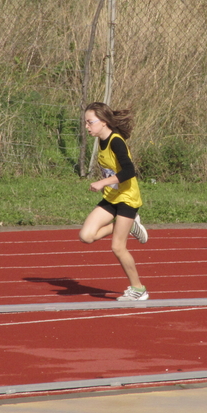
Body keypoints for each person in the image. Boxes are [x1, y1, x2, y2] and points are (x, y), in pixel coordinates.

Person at [78, 102, 150, 301]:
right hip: (112, 197)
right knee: (86, 236)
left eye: (90, 122)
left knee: (118, 247)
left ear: (103, 122)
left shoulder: (116, 141)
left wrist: (103, 182)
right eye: (85, 122)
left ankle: (138, 289)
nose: (87, 126)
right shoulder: (100, 141)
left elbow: (129, 171)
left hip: (127, 198)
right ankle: (128, 224)